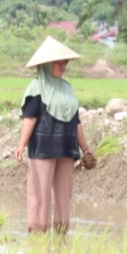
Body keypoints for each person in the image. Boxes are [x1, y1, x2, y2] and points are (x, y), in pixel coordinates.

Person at [13, 36, 92, 234]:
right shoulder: (36, 88)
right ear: (47, 65)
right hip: (43, 148)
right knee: (39, 194)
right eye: (59, 62)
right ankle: (38, 233)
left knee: (64, 195)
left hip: (66, 148)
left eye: (65, 62)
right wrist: (21, 145)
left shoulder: (67, 89)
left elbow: (76, 122)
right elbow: (29, 119)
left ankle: (61, 236)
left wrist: (86, 148)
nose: (63, 66)